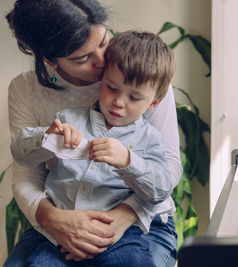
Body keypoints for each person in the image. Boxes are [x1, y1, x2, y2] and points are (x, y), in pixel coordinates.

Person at [5, 0, 182, 266]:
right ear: (51, 61)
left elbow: (166, 172)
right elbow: (26, 170)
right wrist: (56, 221)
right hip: (59, 219)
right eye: (82, 58)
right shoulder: (37, 99)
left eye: (102, 42)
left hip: (136, 220)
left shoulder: (141, 74)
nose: (102, 61)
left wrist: (113, 223)